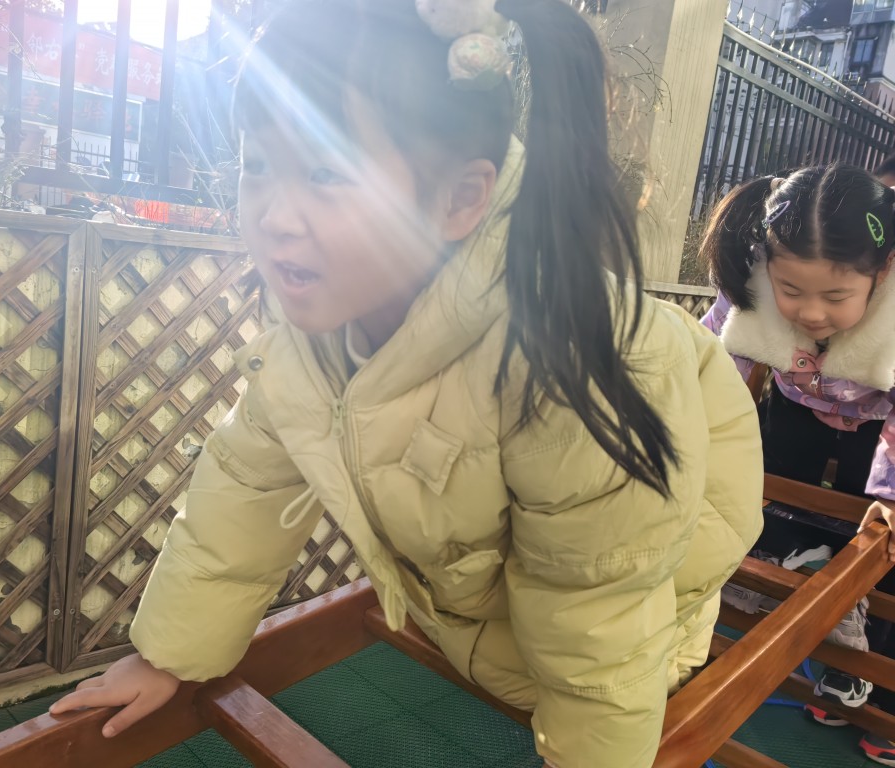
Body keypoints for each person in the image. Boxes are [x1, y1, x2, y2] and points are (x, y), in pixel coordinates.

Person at [50, 1, 763, 765]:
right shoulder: (317, 328)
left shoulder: (572, 359)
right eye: (257, 166)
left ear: (459, 199)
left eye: (326, 172)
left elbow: (602, 605)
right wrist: (170, 654)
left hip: (649, 617)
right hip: (483, 613)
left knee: (586, 623)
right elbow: (246, 485)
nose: (275, 216)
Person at [700, 165, 895, 765]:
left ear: (882, 273)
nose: (810, 313)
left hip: (877, 422)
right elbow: (707, 363)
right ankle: (819, 643)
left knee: (879, 552)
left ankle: (873, 687)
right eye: (792, 290)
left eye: (835, 297)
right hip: (795, 407)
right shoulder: (753, 281)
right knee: (785, 525)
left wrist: (888, 499)